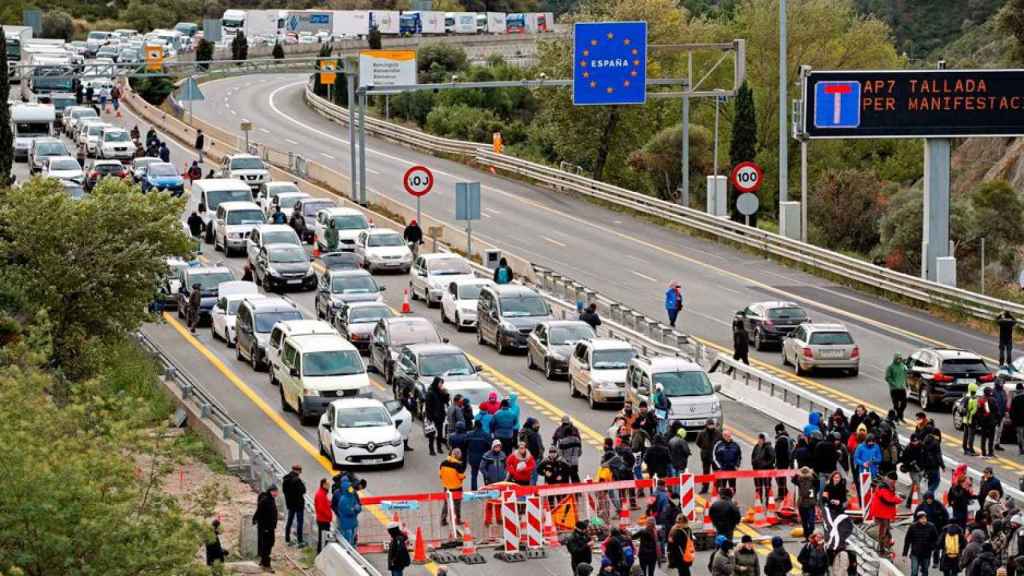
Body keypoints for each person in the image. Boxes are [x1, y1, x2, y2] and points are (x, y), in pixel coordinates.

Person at [871, 472, 903, 554]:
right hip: (882, 513)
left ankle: (884, 546)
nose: (894, 483)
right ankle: (882, 548)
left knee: (885, 530)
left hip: (883, 512)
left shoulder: (886, 484)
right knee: (884, 531)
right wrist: (899, 499)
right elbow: (888, 499)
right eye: (894, 481)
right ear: (891, 479)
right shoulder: (884, 487)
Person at [905, 511, 940, 576]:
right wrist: (904, 554)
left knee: (925, 571)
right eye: (921, 519)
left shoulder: (931, 527)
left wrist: (932, 547)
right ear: (918, 519)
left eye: (925, 518)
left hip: (926, 553)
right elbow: (907, 541)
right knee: (914, 571)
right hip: (915, 553)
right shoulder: (912, 527)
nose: (924, 520)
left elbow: (936, 540)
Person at [253, 485, 279, 572]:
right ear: (271, 491)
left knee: (269, 544)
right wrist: (256, 520)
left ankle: (263, 561)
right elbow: (259, 511)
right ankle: (266, 565)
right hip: (266, 527)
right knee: (267, 545)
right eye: (275, 491)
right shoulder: (266, 500)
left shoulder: (270, 499)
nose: (277, 493)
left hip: (269, 527)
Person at [439, 448, 465, 527]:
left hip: (446, 487)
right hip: (457, 488)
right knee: (457, 505)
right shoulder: (458, 465)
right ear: (458, 455)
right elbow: (461, 476)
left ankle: (443, 520)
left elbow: (440, 475)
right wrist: (464, 476)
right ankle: (457, 520)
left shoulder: (443, 463)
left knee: (446, 504)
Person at [281, 464, 307, 547]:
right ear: (297, 471)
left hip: (290, 504)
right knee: (300, 522)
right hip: (298, 504)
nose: (300, 473)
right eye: (299, 471)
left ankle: (287, 539)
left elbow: (284, 491)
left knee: (289, 521)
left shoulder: (286, 479)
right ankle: (300, 540)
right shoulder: (297, 480)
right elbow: (303, 490)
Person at [332, 475, 362, 545]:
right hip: (344, 519)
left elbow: (358, 504)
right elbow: (335, 506)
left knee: (350, 536)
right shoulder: (338, 493)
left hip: (350, 520)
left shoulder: (351, 493)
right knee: (346, 536)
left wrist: (357, 509)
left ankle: (350, 548)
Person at [424, 377, 449, 456]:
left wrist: (446, 394)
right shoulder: (430, 392)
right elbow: (428, 406)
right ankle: (431, 449)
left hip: (440, 416)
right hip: (432, 416)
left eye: (442, 383)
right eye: (440, 383)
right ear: (436, 383)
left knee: (440, 433)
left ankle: (439, 447)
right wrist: (429, 417)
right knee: (432, 434)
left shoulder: (440, 392)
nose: (441, 385)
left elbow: (445, 401)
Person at [696, 419, 722, 494]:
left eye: (712, 425)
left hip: (715, 456)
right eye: (709, 425)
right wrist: (704, 448)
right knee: (706, 472)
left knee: (716, 472)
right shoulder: (701, 433)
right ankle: (705, 488)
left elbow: (720, 442)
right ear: (706, 425)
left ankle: (717, 487)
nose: (711, 426)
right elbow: (698, 443)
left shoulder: (718, 433)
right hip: (706, 455)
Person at [554, 415, 583, 483]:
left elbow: (559, 453)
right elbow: (580, 452)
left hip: (565, 462)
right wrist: (575, 456)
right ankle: (577, 492)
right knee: (575, 478)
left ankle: (566, 493)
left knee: (565, 480)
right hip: (574, 462)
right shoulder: (576, 437)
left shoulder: (560, 432)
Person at [793, 466, 818, 541]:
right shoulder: (799, 480)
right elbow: (793, 480)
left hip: (810, 503)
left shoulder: (813, 480)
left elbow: (817, 481)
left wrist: (812, 473)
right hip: (802, 503)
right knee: (804, 522)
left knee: (811, 521)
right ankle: (806, 537)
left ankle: (811, 536)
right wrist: (798, 473)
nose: (805, 473)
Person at [751, 432, 775, 503]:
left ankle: (768, 501)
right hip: (757, 471)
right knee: (758, 487)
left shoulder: (769, 447)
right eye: (759, 439)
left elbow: (772, 459)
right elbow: (753, 456)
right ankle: (759, 500)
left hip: (766, 471)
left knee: (767, 487)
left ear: (765, 440)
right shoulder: (756, 446)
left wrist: (764, 465)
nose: (759, 440)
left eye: (761, 439)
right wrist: (753, 463)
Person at [887, 353, 909, 422]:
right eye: (898, 358)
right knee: (896, 405)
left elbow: (905, 375)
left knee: (904, 404)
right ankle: (899, 418)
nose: (899, 360)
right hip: (894, 389)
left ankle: (899, 416)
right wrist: (894, 384)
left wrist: (906, 384)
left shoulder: (903, 366)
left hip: (902, 388)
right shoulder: (890, 367)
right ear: (895, 358)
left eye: (900, 358)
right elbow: (887, 378)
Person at [314, 478, 332, 553]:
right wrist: (329, 516)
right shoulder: (321, 494)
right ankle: (321, 553)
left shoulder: (322, 493)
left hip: (322, 519)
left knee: (322, 538)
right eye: (328, 485)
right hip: (323, 520)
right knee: (323, 539)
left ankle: (320, 553)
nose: (329, 486)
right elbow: (321, 508)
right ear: (324, 485)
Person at [978, 388, 998, 458]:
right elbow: (996, 411)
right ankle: (990, 452)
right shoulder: (993, 400)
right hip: (992, 422)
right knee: (991, 438)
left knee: (983, 438)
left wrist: (980, 421)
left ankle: (983, 452)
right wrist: (996, 420)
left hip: (984, 422)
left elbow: (978, 412)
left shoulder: (981, 400)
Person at [964, 384, 980, 456]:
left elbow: (964, 409)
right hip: (971, 420)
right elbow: (975, 410)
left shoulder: (966, 398)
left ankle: (965, 448)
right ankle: (971, 450)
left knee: (966, 434)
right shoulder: (974, 399)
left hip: (965, 419)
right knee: (971, 435)